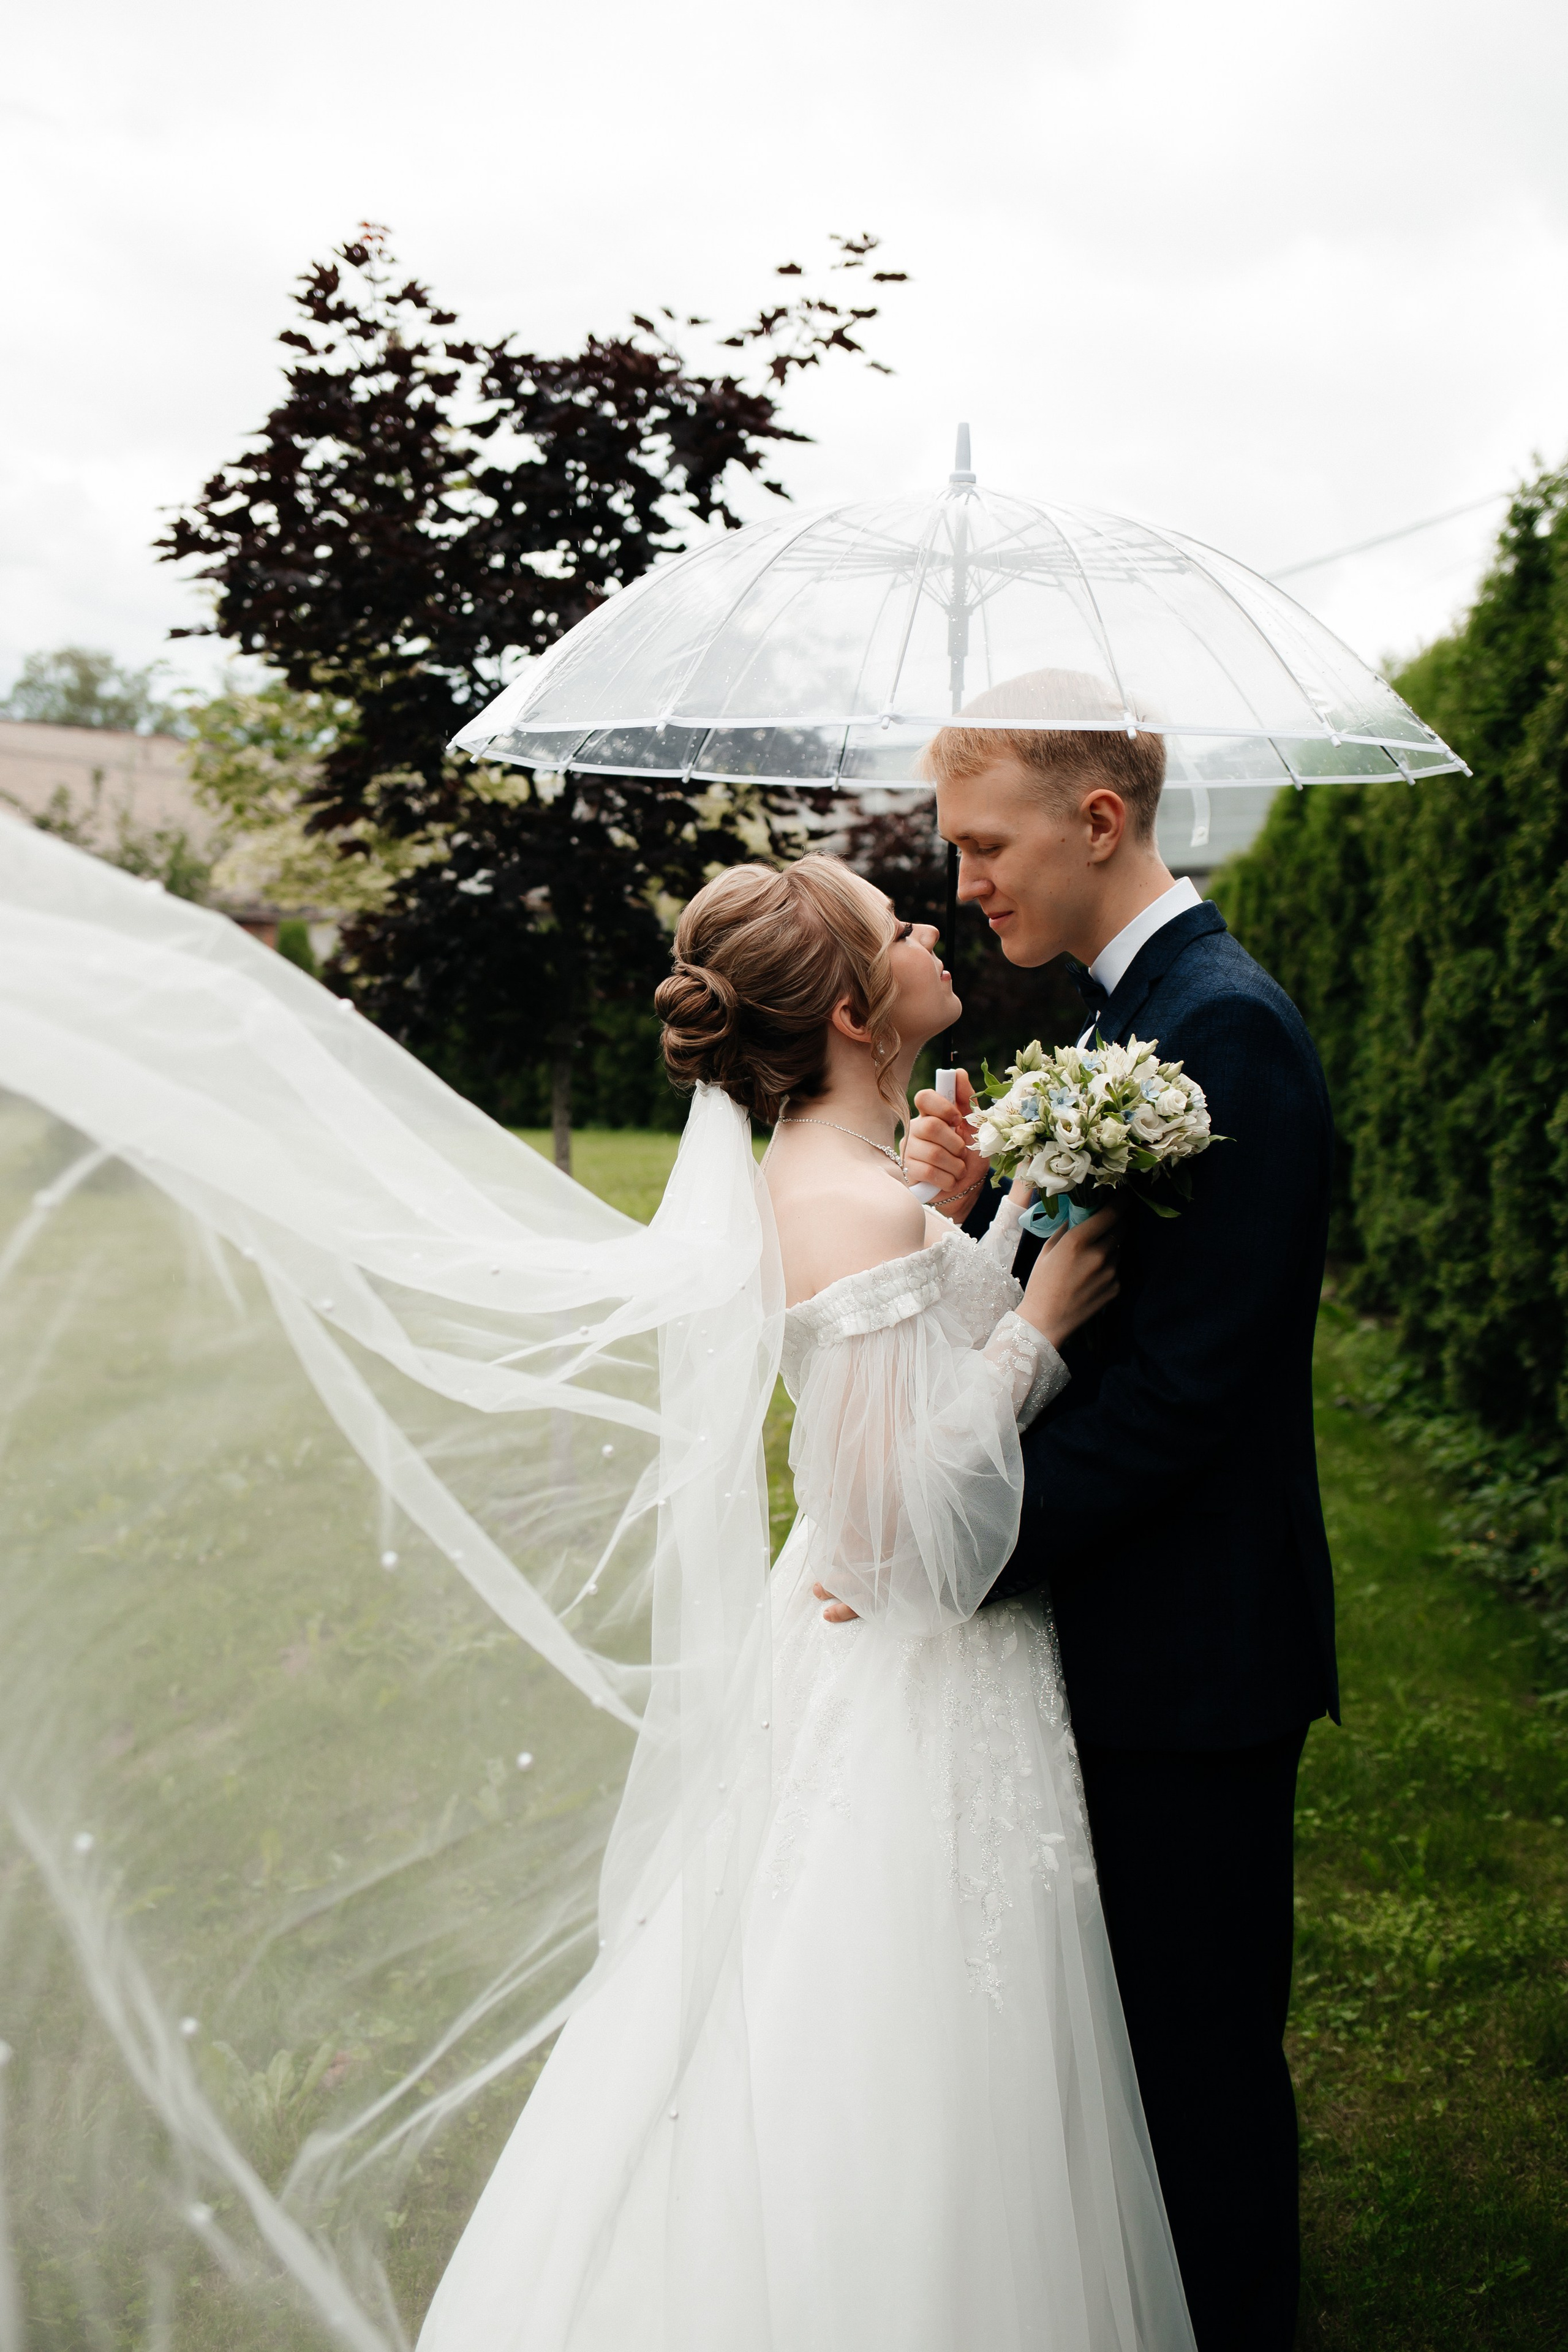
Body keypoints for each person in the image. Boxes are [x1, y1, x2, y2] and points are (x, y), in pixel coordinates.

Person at [415, 852, 1196, 2350]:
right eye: (903, 929)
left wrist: (970, 1221)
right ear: (854, 1008)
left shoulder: (864, 1185)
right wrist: (1032, 1327)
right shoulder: (839, 1205)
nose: (933, 928)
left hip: (917, 1664)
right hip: (907, 1687)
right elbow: (898, 1539)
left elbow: (900, 1394)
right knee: (898, 2050)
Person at [902, 681, 1338, 2352]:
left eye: (986, 844)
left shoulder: (1221, 1028)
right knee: (1133, 2053)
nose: (968, 885)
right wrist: (976, 1227)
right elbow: (1090, 1305)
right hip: (1129, 1629)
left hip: (1193, 1651)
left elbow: (1187, 1389)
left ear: (1101, 821)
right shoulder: (1117, 1022)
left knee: (1199, 2060)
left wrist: (962, 1541)